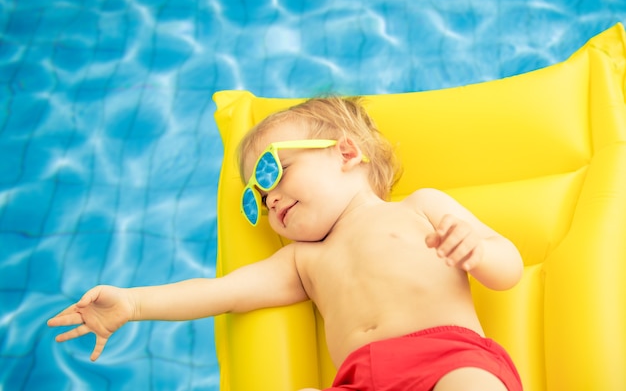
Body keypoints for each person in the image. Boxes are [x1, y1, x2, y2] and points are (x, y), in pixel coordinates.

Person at [48, 96, 524, 391]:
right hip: (362, 379)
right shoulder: (302, 260)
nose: (269, 198)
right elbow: (223, 292)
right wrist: (132, 303)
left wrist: (478, 250)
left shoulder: (420, 206)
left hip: (449, 357)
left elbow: (509, 270)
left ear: (345, 152)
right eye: (255, 199)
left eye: (273, 171)